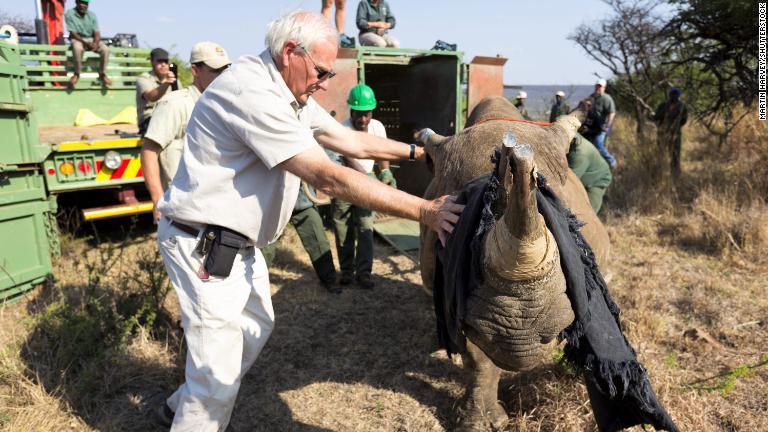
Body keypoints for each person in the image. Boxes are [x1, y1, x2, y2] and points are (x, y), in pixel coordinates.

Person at [153, 11, 462, 431]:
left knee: (254, 328)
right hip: (205, 246)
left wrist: (417, 152)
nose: (326, 81)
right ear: (288, 53)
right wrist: (425, 211)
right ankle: (193, 412)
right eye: (321, 70)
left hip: (239, 248)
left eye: (330, 71)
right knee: (217, 381)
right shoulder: (252, 93)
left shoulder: (289, 93)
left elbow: (348, 139)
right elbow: (328, 176)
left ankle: (178, 406)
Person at [140, 41, 231, 224]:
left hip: (213, 206)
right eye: (215, 70)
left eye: (224, 70)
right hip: (181, 210)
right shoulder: (176, 104)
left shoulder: (222, 105)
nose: (221, 76)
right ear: (196, 71)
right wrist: (158, 200)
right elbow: (149, 151)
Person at [331, 84, 396, 289]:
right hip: (342, 183)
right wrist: (369, 179)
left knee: (366, 228)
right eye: (359, 115)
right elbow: (350, 159)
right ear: (351, 110)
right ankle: (347, 272)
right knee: (343, 230)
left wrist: (385, 171)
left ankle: (364, 274)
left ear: (371, 112)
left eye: (366, 115)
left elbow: (382, 152)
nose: (363, 120)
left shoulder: (377, 127)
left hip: (365, 183)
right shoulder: (342, 129)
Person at [260, 179, 340, 293]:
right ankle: (255, 284)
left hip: (302, 203)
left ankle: (329, 280)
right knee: (266, 248)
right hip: (276, 204)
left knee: (319, 242)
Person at [64, 0, 111, 87]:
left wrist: (96, 43)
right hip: (77, 38)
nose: (84, 5)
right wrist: (85, 43)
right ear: (76, 2)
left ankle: (102, 74)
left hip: (91, 39)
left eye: (86, 3)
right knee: (77, 48)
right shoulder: (70, 14)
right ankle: (76, 74)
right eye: (82, 2)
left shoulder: (92, 15)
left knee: (105, 49)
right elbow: (73, 33)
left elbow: (97, 32)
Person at [136, 47, 177, 135]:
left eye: (165, 61)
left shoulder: (174, 79)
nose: (163, 64)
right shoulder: (143, 78)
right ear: (152, 62)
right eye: (159, 61)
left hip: (169, 117)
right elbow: (151, 97)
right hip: (149, 120)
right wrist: (166, 83)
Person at [567, 133, 612, 213]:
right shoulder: (573, 139)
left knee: (587, 214)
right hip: (584, 177)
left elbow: (569, 180)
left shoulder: (580, 152)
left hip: (597, 181)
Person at [653, 87, 688, 178]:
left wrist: (675, 126)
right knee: (661, 153)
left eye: (675, 95)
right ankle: (659, 174)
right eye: (672, 95)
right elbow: (656, 117)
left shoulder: (682, 106)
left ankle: (675, 175)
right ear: (669, 95)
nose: (673, 97)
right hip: (662, 133)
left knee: (675, 155)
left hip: (675, 134)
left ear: (678, 96)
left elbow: (684, 120)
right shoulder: (663, 105)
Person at [588, 78, 617, 169]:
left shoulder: (606, 98)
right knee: (590, 145)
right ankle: (596, 165)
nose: (598, 88)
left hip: (602, 127)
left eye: (600, 86)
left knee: (599, 144)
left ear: (604, 87)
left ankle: (612, 161)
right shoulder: (592, 97)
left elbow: (612, 113)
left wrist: (608, 126)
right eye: (597, 86)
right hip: (593, 126)